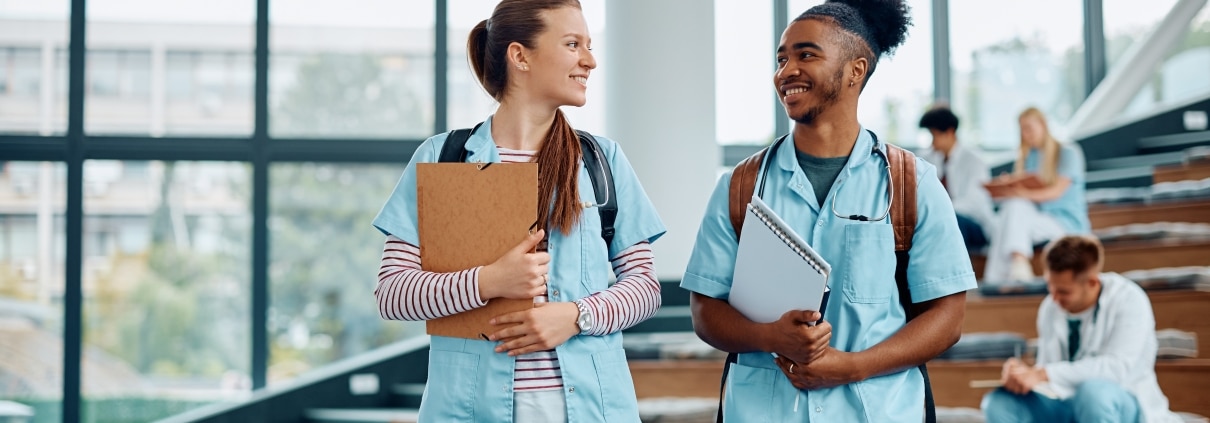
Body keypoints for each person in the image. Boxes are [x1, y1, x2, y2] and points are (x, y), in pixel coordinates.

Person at [680, 0, 975, 421]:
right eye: (781, 59)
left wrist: (854, 367)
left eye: (806, 55)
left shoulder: (912, 183)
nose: (786, 71)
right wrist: (769, 336)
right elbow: (706, 312)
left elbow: (948, 319)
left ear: (856, 70)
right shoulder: (739, 186)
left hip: (879, 409)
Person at [370, 1, 666, 421]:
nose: (590, 60)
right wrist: (488, 281)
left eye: (589, 45)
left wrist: (576, 316)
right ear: (520, 55)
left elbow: (645, 288)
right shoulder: (442, 158)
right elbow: (393, 295)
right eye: (572, 44)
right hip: (468, 411)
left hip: (592, 410)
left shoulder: (602, 160)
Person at [981, 235, 1183, 423]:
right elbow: (1048, 371)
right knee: (999, 402)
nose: (1053, 298)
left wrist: (1043, 373)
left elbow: (1116, 368)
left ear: (1092, 282)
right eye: (1050, 287)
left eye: (1063, 291)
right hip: (1065, 401)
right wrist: (1022, 377)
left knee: (1093, 394)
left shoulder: (1129, 299)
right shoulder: (1050, 307)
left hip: (1119, 399)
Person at [983, 107, 1090, 283]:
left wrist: (1022, 192)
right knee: (1011, 208)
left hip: (1064, 222)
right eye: (1022, 130)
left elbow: (1056, 192)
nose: (1026, 134)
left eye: (1029, 128)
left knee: (1014, 209)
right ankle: (1015, 264)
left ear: (1043, 125)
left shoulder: (1068, 152)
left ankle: (999, 276)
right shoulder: (1029, 157)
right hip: (1036, 219)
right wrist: (1009, 187)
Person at [918, 105, 994, 251]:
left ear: (950, 132)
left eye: (935, 135)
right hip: (939, 218)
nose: (932, 142)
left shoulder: (974, 161)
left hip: (974, 224)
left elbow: (974, 203)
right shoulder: (928, 158)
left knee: (951, 221)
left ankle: (953, 271)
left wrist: (939, 210)